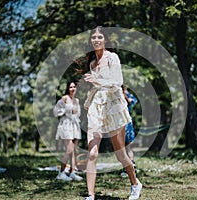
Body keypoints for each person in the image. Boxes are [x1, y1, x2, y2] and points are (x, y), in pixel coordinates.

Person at [82, 26, 142, 200]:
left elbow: (117, 82)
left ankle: (135, 184)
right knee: (92, 153)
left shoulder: (112, 58)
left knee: (120, 154)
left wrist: (96, 80)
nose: (96, 40)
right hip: (96, 107)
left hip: (114, 107)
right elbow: (97, 86)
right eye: (94, 37)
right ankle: (90, 195)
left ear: (105, 40)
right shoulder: (93, 64)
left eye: (100, 37)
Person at [53, 80, 83, 181]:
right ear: (67, 88)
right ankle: (61, 173)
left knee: (74, 151)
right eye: (71, 87)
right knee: (69, 150)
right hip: (66, 126)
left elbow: (78, 114)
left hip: (75, 125)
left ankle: (72, 172)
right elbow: (56, 111)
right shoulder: (64, 98)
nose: (73, 89)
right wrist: (66, 111)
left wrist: (75, 113)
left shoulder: (77, 100)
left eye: (74, 87)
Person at [121, 85, 138, 177]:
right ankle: (128, 166)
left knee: (127, 146)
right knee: (124, 147)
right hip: (121, 123)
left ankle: (130, 166)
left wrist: (126, 96)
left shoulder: (126, 94)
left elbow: (134, 101)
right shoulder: (116, 94)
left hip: (126, 123)